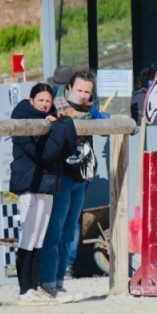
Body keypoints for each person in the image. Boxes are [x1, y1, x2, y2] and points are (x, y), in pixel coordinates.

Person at [10, 83, 77, 306]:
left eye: (48, 101)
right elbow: (45, 153)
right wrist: (58, 127)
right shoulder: (24, 118)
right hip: (30, 183)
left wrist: (62, 124)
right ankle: (24, 289)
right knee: (28, 237)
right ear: (32, 101)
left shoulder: (50, 121)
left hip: (47, 184)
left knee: (39, 237)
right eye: (41, 100)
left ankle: (34, 286)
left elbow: (62, 148)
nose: (45, 104)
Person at [39, 70, 98, 302]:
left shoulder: (91, 111)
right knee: (54, 230)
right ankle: (47, 281)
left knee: (69, 231)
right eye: (80, 90)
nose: (84, 96)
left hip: (81, 175)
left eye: (88, 92)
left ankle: (60, 282)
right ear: (70, 87)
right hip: (61, 175)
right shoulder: (54, 106)